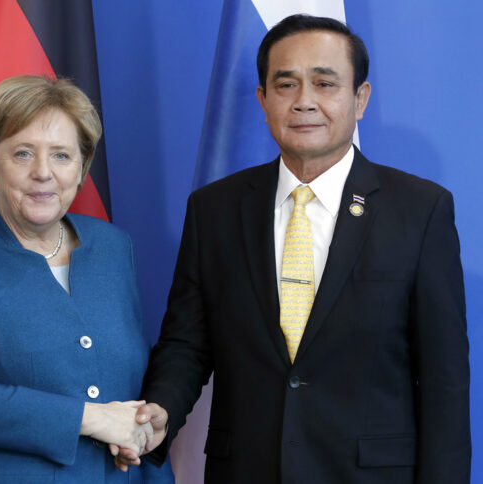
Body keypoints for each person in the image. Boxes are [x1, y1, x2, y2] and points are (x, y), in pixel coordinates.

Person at [120, 14, 470, 483]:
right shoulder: (215, 209)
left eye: (325, 84)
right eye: (286, 85)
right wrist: (161, 409)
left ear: (359, 98)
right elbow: (187, 341)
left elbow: (444, 381)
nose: (305, 102)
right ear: (263, 100)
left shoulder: (420, 210)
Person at [0, 75, 174, 483]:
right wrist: (92, 418)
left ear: (82, 166)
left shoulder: (113, 247)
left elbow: (129, 373)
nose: (43, 173)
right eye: (23, 154)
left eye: (62, 156)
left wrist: (146, 418)